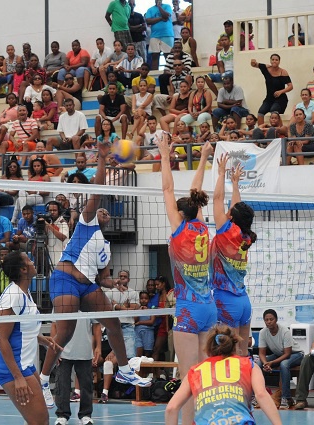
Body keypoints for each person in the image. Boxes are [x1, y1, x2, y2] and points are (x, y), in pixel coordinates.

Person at [39, 139, 151, 409]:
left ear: (108, 219)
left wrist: (116, 283)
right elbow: (97, 193)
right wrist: (101, 159)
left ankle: (123, 369)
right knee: (64, 333)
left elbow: (102, 278)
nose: (101, 210)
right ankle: (43, 380)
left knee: (112, 321)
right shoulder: (86, 224)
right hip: (65, 279)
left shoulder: (106, 247)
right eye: (97, 209)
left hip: (88, 285)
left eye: (104, 211)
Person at [159, 136, 216, 425]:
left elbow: (168, 188)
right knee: (203, 374)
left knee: (188, 376)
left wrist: (164, 153)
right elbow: (196, 192)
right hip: (210, 307)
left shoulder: (180, 228)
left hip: (189, 309)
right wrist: (204, 155)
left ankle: (184, 422)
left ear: (181, 213)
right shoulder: (202, 226)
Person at [0, 251, 61, 424]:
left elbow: (21, 328)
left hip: (24, 363)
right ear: (23, 269)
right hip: (11, 367)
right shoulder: (13, 296)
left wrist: (43, 340)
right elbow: (2, 339)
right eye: (29, 260)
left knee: (39, 418)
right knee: (40, 421)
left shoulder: (25, 293)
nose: (33, 261)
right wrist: (18, 378)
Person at [165, 324, 283, 425]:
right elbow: (261, 395)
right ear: (234, 346)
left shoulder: (195, 371)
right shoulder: (249, 365)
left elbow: (171, 408)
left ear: (208, 349)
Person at [211, 154, 256, 357]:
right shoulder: (245, 235)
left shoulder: (225, 231)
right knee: (243, 355)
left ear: (232, 216)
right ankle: (248, 389)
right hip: (244, 302)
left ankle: (231, 389)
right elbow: (235, 206)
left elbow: (218, 198)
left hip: (226, 299)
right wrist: (235, 184)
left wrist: (221, 174)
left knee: (227, 355)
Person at [52, 318, 101, 425]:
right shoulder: (60, 301)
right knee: (62, 383)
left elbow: (97, 326)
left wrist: (98, 346)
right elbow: (54, 325)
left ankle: (86, 415)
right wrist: (54, 348)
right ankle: (62, 415)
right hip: (63, 351)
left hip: (85, 351)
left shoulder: (89, 304)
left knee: (86, 384)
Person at [257, 309, 304, 410]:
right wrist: (266, 363)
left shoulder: (284, 331)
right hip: (278, 354)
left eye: (271, 319)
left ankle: (286, 398)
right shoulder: (262, 332)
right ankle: (257, 396)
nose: (269, 321)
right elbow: (261, 353)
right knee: (258, 363)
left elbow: (287, 354)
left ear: (276, 320)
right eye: (266, 320)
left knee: (284, 364)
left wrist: (272, 363)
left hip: (296, 354)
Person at [251, 55, 293, 125]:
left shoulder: (283, 72)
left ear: (279, 62)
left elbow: (290, 86)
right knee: (260, 112)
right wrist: (253, 62)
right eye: (273, 59)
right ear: (270, 61)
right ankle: (261, 131)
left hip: (280, 99)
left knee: (273, 111)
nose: (274, 61)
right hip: (269, 99)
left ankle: (279, 130)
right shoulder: (266, 68)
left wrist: (281, 91)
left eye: (276, 60)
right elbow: (254, 65)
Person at [145, 0, 174, 71]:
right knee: (154, 56)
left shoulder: (167, 6)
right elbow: (148, 21)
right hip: (154, 35)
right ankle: (155, 76)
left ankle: (170, 74)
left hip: (167, 34)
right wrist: (161, 18)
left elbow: (166, 16)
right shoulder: (150, 9)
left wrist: (159, 6)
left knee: (168, 56)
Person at [134, 291, 156, 357]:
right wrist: (139, 311)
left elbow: (151, 322)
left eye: (146, 298)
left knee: (147, 354)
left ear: (148, 300)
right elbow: (134, 320)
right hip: (137, 333)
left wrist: (140, 322)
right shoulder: (136, 310)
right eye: (142, 298)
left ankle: (147, 367)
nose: (144, 300)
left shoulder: (151, 310)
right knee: (138, 354)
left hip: (148, 333)